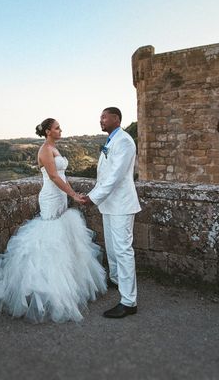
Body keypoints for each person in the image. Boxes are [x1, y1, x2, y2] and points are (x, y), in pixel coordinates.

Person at [0, 118, 107, 323]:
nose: (61, 130)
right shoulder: (44, 150)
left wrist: (69, 194)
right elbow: (53, 177)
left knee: (63, 239)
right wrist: (73, 195)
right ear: (48, 131)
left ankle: (69, 286)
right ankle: (46, 292)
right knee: (49, 240)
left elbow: (63, 174)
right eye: (57, 127)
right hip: (51, 197)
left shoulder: (54, 147)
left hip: (60, 196)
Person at [81, 107, 141, 318]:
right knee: (113, 250)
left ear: (117, 119)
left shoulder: (123, 141)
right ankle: (116, 280)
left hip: (122, 205)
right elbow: (104, 177)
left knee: (123, 251)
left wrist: (92, 198)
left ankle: (128, 302)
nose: (101, 120)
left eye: (104, 117)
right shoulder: (111, 140)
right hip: (109, 205)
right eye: (100, 117)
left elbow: (115, 176)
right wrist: (93, 195)